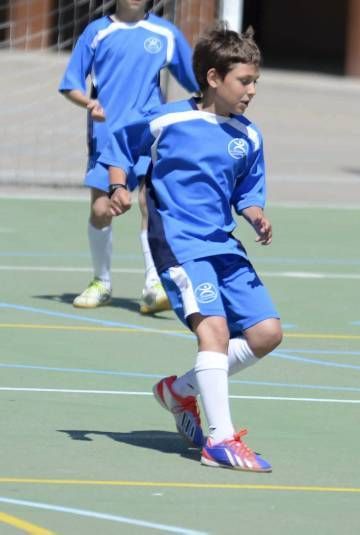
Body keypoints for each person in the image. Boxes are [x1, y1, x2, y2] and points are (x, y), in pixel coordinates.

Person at [99, 22, 282, 471]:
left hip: (224, 244)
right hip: (179, 243)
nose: (252, 90)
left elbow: (247, 189)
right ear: (213, 78)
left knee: (266, 334)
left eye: (256, 81)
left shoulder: (249, 135)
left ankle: (180, 391)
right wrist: (119, 186)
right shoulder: (167, 120)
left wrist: (255, 213)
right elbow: (120, 144)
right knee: (214, 332)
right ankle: (220, 442)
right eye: (244, 80)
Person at [59, 0, 199, 313]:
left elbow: (196, 82)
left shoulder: (165, 33)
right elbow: (70, 84)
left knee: (149, 203)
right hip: (106, 135)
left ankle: (153, 283)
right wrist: (89, 104)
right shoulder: (97, 32)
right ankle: (102, 282)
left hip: (150, 133)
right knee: (101, 209)